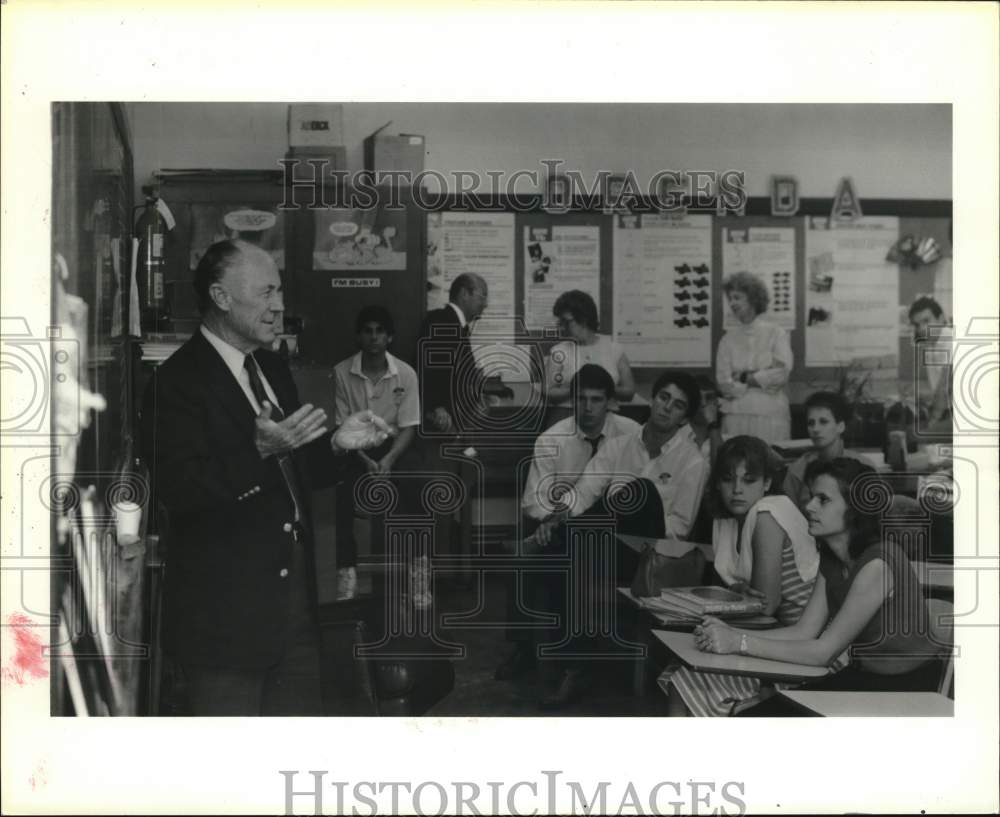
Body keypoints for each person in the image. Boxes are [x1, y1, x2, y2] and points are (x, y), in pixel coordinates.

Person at [140, 240, 388, 716]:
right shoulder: (175, 383)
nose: (279, 306)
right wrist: (258, 452)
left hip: (293, 606)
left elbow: (302, 467)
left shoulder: (270, 365)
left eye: (280, 292)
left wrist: (337, 443)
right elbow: (180, 491)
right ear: (222, 296)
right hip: (224, 622)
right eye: (267, 292)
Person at [678, 458, 947, 716]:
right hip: (867, 676)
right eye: (812, 496)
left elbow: (823, 652)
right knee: (750, 710)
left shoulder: (878, 563)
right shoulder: (833, 557)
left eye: (824, 500)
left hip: (905, 689)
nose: (809, 507)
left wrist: (739, 642)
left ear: (855, 508)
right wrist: (730, 632)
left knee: (757, 717)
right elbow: (804, 631)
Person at [528, 371, 710, 709]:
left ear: (684, 416)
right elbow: (582, 494)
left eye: (678, 405)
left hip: (652, 556)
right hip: (606, 546)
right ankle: (577, 664)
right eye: (663, 398)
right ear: (653, 399)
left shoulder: (692, 461)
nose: (667, 408)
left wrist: (629, 514)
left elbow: (679, 530)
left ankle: (558, 541)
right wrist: (555, 518)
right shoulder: (618, 446)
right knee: (568, 544)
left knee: (639, 491)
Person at [493, 365, 641, 682]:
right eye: (581, 399)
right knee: (529, 554)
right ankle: (527, 648)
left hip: (611, 527)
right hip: (556, 522)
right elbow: (533, 499)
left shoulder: (631, 433)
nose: (588, 408)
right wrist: (554, 520)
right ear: (572, 401)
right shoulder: (552, 439)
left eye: (597, 400)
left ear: (610, 402)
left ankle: (575, 656)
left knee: (548, 552)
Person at [657, 436, 820, 716]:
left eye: (748, 480)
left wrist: (740, 596)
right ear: (717, 483)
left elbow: (765, 606)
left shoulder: (768, 513)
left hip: (802, 646)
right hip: (772, 636)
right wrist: (741, 593)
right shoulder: (726, 521)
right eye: (728, 479)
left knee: (686, 677)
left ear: (767, 483)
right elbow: (744, 595)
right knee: (680, 672)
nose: (736, 490)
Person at [331, 305, 420, 601]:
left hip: (394, 446)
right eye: (367, 331)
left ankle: (418, 570)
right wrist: (366, 460)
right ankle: (346, 571)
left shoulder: (406, 374)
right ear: (359, 336)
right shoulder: (342, 372)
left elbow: (408, 427)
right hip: (356, 448)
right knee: (340, 493)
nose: (373, 337)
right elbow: (342, 429)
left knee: (416, 485)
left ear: (390, 337)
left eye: (380, 331)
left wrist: (389, 460)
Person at [715, 271, 793, 443]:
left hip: (771, 416)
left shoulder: (776, 333)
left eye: (737, 297)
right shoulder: (727, 340)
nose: (732, 303)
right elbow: (724, 384)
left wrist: (743, 377)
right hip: (735, 415)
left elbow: (781, 375)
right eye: (730, 299)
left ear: (752, 298)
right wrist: (762, 377)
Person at [416, 272, 489, 435]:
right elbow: (429, 369)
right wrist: (436, 406)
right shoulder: (442, 322)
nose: (485, 304)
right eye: (482, 297)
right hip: (443, 421)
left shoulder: (454, 324)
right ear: (464, 294)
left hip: (454, 417)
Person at [544, 290, 636, 413]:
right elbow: (548, 392)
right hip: (568, 414)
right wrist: (576, 389)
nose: (562, 327)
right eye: (561, 322)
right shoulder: (559, 351)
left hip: (606, 415)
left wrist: (602, 389)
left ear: (583, 319)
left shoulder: (614, 349)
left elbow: (629, 392)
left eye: (567, 321)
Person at [781, 391, 868, 510]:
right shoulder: (797, 470)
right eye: (811, 423)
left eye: (823, 422)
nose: (815, 429)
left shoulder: (864, 467)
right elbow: (788, 517)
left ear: (840, 426)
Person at [907, 295, 952, 432]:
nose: (922, 328)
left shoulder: (950, 341)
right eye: (917, 324)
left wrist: (932, 421)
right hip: (947, 411)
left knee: (911, 434)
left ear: (941, 319)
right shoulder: (931, 343)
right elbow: (938, 388)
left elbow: (943, 388)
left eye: (926, 321)